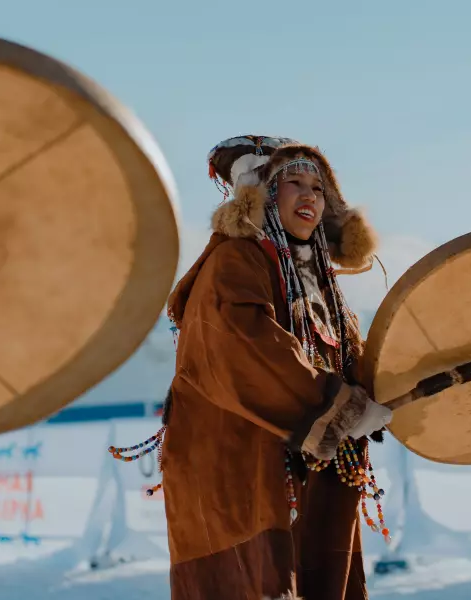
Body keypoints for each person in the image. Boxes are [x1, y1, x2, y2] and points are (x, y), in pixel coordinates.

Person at [110, 135, 393, 600]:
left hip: (311, 469)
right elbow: (245, 346)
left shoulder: (317, 278)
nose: (309, 196)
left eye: (318, 188)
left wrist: (388, 387)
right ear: (262, 195)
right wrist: (338, 406)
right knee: (260, 584)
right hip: (242, 467)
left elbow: (349, 361)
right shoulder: (234, 261)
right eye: (294, 183)